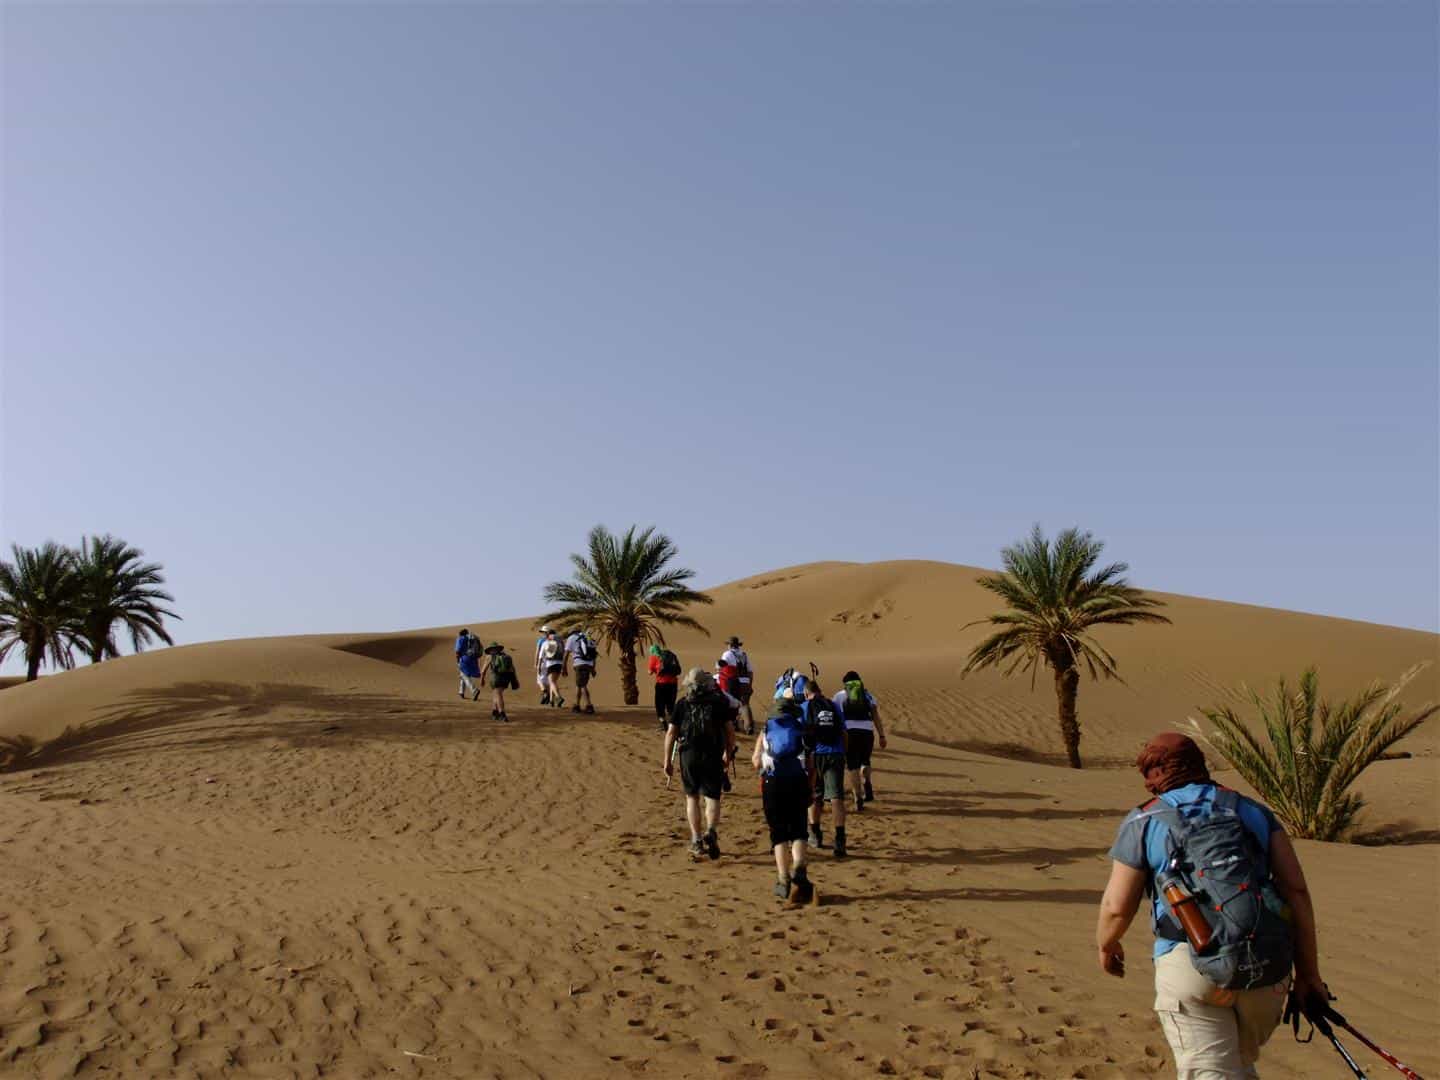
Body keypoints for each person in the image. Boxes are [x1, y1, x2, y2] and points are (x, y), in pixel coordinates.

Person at [1096, 733, 1324, 1080]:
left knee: (1215, 1071)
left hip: (1189, 965)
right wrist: (1309, 975)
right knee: (1237, 1066)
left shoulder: (1143, 820)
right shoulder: (1253, 812)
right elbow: (1296, 891)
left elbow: (1116, 907)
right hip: (1265, 970)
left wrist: (1107, 944)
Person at [661, 668, 735, 861]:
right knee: (712, 797)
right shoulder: (719, 703)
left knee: (692, 797)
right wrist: (728, 752)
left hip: (689, 754)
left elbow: (671, 734)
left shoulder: (683, 704)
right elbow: (729, 731)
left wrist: (667, 760)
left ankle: (696, 839)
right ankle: (711, 830)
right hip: (712, 754)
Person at [751, 690, 814, 903]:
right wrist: (810, 787)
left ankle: (783, 879)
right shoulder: (801, 730)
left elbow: (756, 761)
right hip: (798, 781)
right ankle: (799, 866)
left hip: (773, 784)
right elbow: (810, 764)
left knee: (778, 833)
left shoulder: (767, 729)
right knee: (799, 830)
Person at [803, 681, 848, 857]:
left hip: (815, 755)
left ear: (807, 693)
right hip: (835, 753)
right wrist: (843, 752)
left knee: (815, 795)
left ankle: (815, 834)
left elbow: (802, 732)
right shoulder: (834, 705)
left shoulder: (806, 706)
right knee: (836, 797)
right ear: (820, 691)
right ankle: (840, 839)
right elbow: (844, 732)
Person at [835, 670, 886, 811]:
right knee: (865, 761)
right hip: (867, 732)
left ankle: (858, 797)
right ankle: (867, 781)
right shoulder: (868, 695)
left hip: (849, 733)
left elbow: (835, 717)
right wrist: (882, 735)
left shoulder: (839, 696)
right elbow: (875, 715)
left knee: (852, 766)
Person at [721, 636, 755, 734]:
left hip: (733, 682)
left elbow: (721, 668)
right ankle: (748, 726)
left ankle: (735, 725)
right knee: (745, 704)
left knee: (733, 704)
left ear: (730, 645)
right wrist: (749, 684)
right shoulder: (744, 655)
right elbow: (750, 672)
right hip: (745, 682)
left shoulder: (727, 654)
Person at [648, 643, 682, 729]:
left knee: (659, 705)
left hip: (661, 685)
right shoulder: (670, 655)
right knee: (671, 705)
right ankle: (674, 725)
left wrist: (654, 670)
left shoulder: (654, 657)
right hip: (673, 684)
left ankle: (663, 724)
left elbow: (650, 672)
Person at [565, 627, 598, 715]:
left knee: (582, 685)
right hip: (589, 664)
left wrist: (564, 668)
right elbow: (594, 654)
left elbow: (566, 654)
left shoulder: (571, 638)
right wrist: (593, 668)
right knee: (580, 684)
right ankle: (577, 705)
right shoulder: (587, 638)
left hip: (579, 663)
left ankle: (588, 705)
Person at [480, 643, 516, 721]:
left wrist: (482, 679)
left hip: (496, 678)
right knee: (496, 694)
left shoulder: (489, 657)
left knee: (498, 695)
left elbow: (483, 671)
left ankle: (502, 713)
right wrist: (514, 680)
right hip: (506, 679)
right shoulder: (506, 656)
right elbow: (512, 669)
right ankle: (494, 712)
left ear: (490, 650)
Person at [538, 628, 566, 709]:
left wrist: (539, 667)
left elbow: (540, 656)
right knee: (553, 682)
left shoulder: (545, 642)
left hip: (550, 664)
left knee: (552, 682)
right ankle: (551, 701)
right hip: (559, 664)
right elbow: (563, 653)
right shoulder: (560, 642)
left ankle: (559, 697)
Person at [454, 629, 483, 701]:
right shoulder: (472, 638)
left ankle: (474, 690)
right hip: (473, 659)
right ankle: (461, 692)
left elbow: (457, 651)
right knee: (463, 674)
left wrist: (457, 661)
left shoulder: (461, 638)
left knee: (465, 675)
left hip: (465, 658)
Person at [534, 626, 554, 705]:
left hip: (542, 661)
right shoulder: (552, 641)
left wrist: (536, 663)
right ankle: (548, 698)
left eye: (542, 632)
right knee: (548, 681)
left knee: (539, 680)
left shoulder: (541, 640)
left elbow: (537, 652)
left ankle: (545, 692)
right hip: (550, 662)